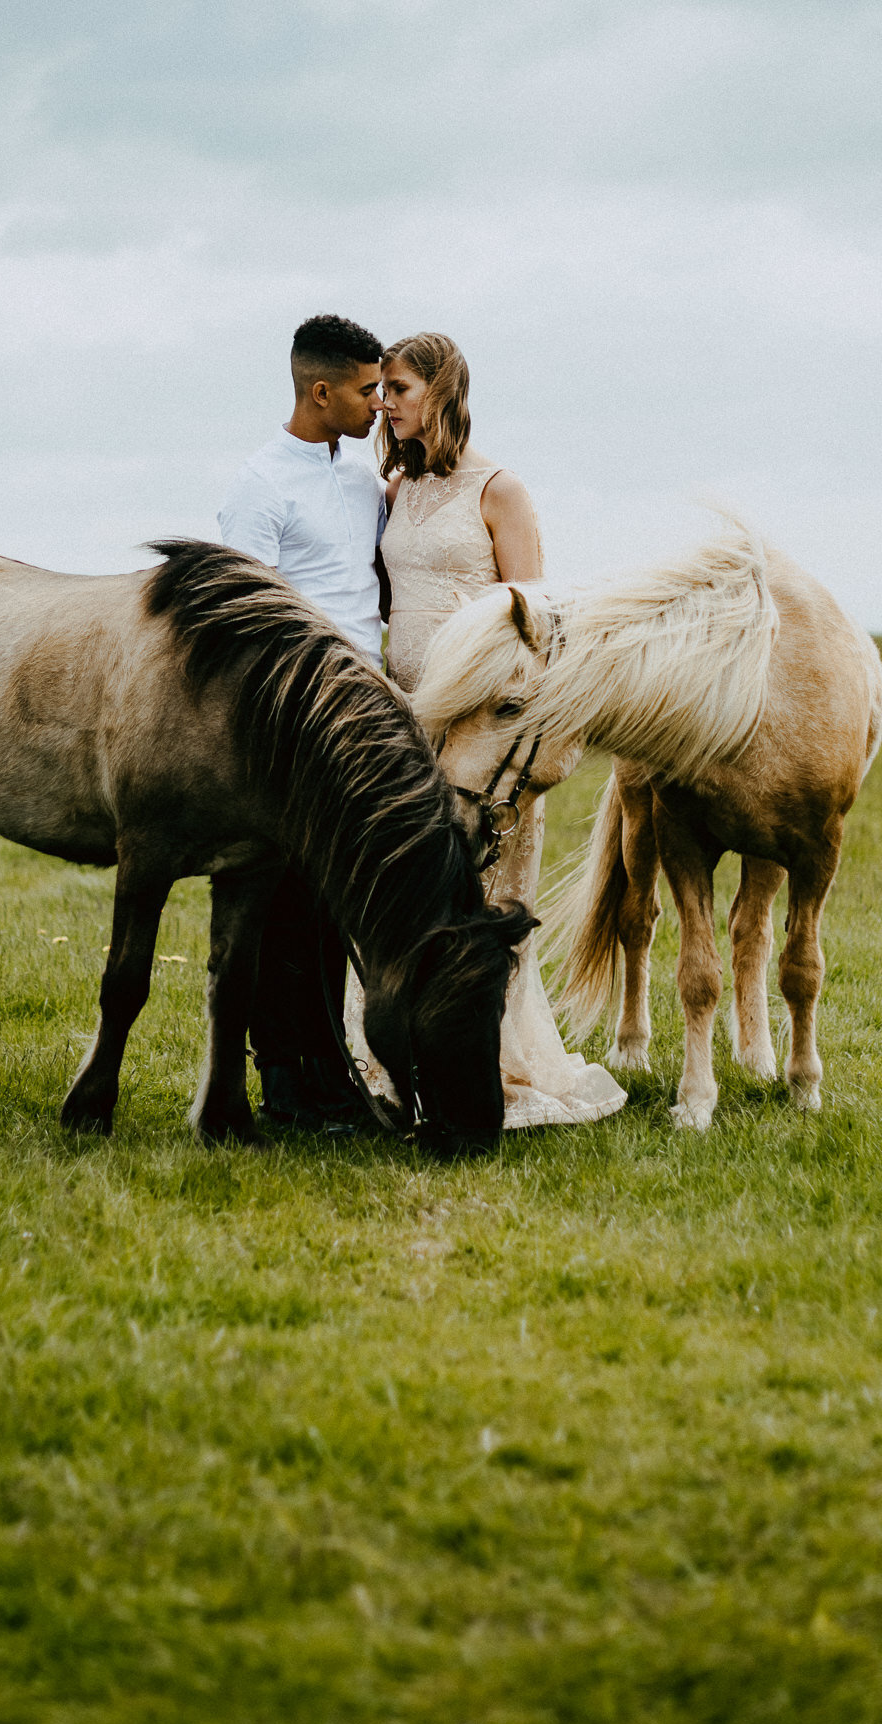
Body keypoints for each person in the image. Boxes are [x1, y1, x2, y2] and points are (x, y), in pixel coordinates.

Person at [358, 330, 626, 1130]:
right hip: (408, 716)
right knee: (403, 891)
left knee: (483, 890)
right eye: (381, 390)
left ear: (440, 392)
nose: (384, 403)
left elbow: (530, 616)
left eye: (398, 389)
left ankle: (493, 1060)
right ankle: (385, 1053)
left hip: (479, 724)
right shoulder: (394, 489)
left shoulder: (499, 490)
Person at [218, 313, 386, 1130]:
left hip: (365, 716)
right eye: (365, 390)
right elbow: (242, 618)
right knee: (282, 906)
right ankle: (283, 1082)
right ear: (320, 392)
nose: (378, 404)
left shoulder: (361, 479)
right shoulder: (259, 485)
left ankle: (331, 1075)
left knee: (333, 908)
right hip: (294, 716)